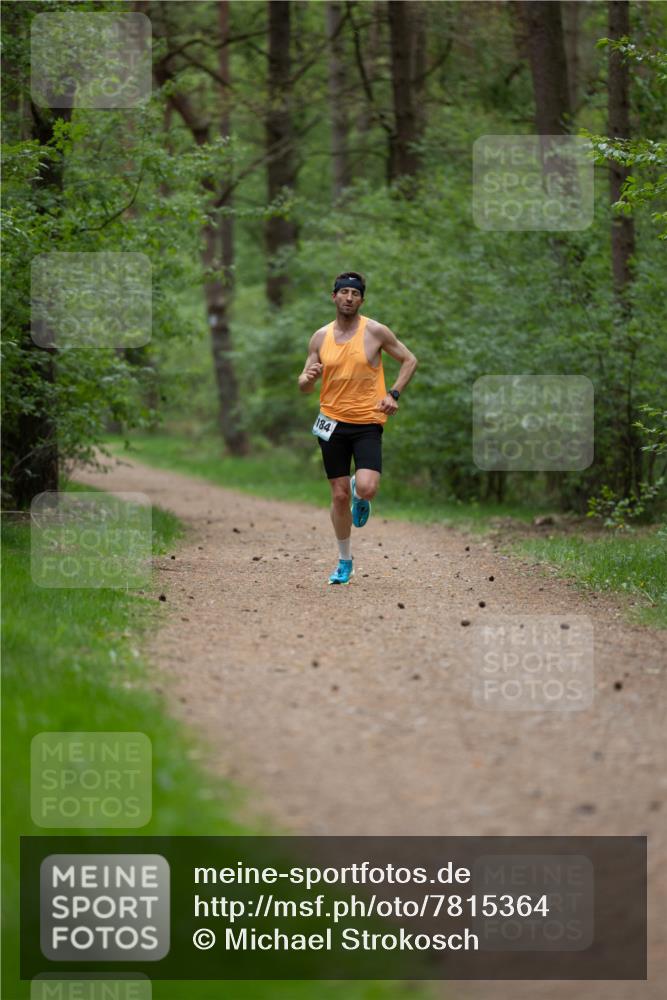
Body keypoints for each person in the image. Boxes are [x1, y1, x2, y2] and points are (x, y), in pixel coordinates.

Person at [298, 271, 418, 584]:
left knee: (367, 488)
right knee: (337, 498)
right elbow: (304, 384)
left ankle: (357, 491)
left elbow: (410, 360)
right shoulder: (320, 337)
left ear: (361, 299)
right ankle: (344, 560)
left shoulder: (375, 331)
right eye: (344, 292)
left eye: (355, 293)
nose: (349, 298)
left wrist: (393, 394)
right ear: (334, 297)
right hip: (331, 422)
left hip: (367, 422)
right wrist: (306, 379)